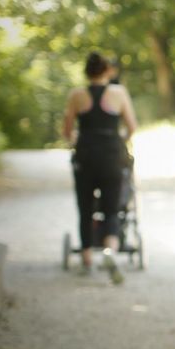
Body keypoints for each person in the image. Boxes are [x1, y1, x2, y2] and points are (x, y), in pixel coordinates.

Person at [62, 51, 138, 283]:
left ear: (86, 72)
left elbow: (67, 131)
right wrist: (119, 141)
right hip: (112, 156)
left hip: (85, 155)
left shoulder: (76, 95)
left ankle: (86, 258)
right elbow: (131, 127)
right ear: (107, 71)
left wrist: (78, 141)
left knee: (85, 208)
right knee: (112, 208)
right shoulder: (118, 93)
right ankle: (110, 251)